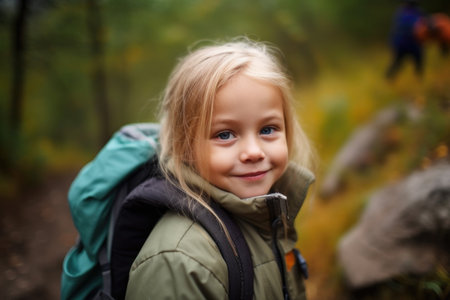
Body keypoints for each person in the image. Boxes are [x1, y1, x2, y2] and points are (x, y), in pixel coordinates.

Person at [125, 38, 316, 299]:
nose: (253, 152)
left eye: (268, 129)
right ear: (185, 146)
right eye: (225, 135)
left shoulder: (265, 219)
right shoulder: (180, 262)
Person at [385, 0, 424, 80]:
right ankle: (418, 79)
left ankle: (388, 79)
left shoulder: (402, 12)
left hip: (403, 43)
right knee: (416, 62)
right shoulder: (415, 13)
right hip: (409, 43)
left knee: (399, 62)